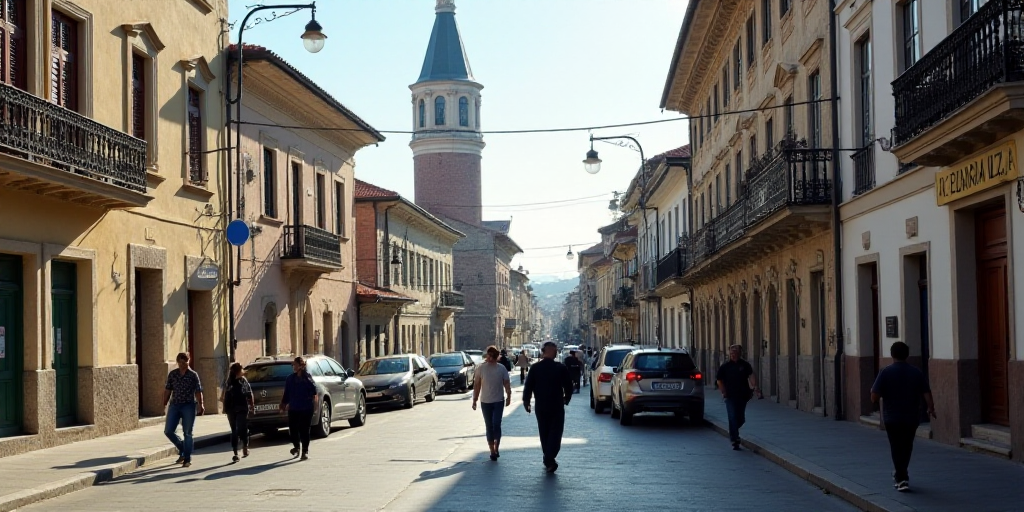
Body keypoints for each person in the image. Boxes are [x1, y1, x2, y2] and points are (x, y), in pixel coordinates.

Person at [871, 341, 935, 493]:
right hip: (911, 417)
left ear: (892, 355)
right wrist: (931, 408)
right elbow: (926, 391)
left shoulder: (885, 372)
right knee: (907, 446)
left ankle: (901, 478)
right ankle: (901, 475)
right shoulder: (916, 372)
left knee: (896, 447)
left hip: (891, 417)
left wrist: (875, 394)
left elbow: (874, 396)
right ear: (907, 355)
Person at [523, 341, 574, 473]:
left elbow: (528, 387)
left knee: (544, 432)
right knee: (555, 433)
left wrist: (526, 401)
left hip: (542, 406)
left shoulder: (536, 368)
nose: (556, 352)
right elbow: (568, 385)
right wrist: (567, 398)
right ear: (547, 351)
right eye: (554, 350)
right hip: (555, 405)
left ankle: (548, 458)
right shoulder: (560, 368)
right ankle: (549, 458)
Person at [163, 352, 205, 468]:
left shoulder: (193, 375)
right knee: (168, 431)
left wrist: (201, 404)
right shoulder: (173, 374)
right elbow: (168, 389)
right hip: (175, 405)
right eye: (181, 362)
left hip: (188, 406)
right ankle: (183, 448)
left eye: (185, 362)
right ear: (177, 362)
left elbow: (198, 390)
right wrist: (164, 402)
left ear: (189, 361)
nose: (183, 364)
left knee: (187, 432)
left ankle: (187, 458)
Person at [472, 346, 513, 461]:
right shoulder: (481, 368)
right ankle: (492, 451)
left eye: (492, 356)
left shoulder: (501, 368)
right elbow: (477, 385)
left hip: (498, 401)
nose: (490, 358)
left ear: (496, 357)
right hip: (485, 401)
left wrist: (509, 396)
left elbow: (506, 383)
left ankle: (496, 447)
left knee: (496, 424)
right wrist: (474, 400)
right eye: (488, 355)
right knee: (489, 426)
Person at [716, 345, 758, 450]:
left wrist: (755, 386)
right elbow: (719, 380)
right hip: (729, 396)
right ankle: (735, 439)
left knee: (741, 418)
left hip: (743, 395)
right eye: (731, 353)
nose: (733, 355)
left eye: (735, 353)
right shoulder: (725, 366)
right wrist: (723, 391)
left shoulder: (745, 365)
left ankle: (733, 430)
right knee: (732, 416)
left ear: (740, 353)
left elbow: (751, 375)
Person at [279, 356, 319, 461]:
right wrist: (283, 404)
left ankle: (304, 451)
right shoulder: (290, 379)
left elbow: (314, 390)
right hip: (294, 407)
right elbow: (286, 393)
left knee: (304, 430)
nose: (293, 367)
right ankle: (296, 446)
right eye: (293, 365)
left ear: (301, 366)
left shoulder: (307, 377)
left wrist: (305, 376)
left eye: (295, 365)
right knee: (293, 430)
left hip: (306, 407)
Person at [222, 362, 254, 463]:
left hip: (242, 408)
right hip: (231, 409)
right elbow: (225, 396)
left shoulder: (243, 381)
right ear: (237, 372)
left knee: (242, 428)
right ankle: (236, 453)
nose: (243, 372)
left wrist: (252, 405)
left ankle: (245, 446)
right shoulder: (229, 382)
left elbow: (249, 393)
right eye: (241, 370)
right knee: (234, 430)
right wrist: (224, 408)